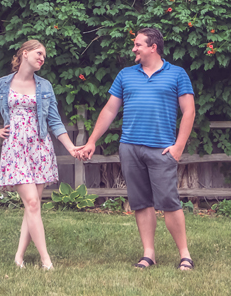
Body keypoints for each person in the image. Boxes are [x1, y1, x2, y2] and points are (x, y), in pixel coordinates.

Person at [77, 27, 196, 271]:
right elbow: (110, 110)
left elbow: (189, 111)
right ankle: (148, 254)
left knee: (170, 202)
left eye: (138, 44)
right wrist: (92, 141)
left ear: (153, 47)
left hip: (162, 150)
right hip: (130, 148)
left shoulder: (177, 74)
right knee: (141, 203)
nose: (134, 48)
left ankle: (185, 255)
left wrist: (178, 147)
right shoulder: (125, 75)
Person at [0, 39, 79, 269]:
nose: (42, 58)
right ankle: (46, 261)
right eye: (39, 53)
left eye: (44, 56)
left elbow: (55, 121)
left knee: (32, 206)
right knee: (32, 202)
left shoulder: (45, 86)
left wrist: (70, 147)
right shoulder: (2, 84)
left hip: (40, 148)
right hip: (15, 148)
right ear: (24, 53)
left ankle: (19, 258)